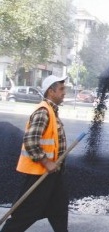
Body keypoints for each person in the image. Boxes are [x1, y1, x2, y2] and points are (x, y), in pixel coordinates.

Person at [1, 75, 69, 232]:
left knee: (59, 209)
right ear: (51, 91)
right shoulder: (43, 112)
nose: (64, 93)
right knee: (26, 213)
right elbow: (31, 141)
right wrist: (47, 162)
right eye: (61, 89)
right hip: (41, 174)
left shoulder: (52, 111)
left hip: (53, 174)